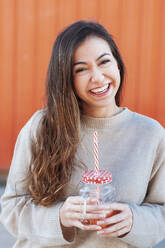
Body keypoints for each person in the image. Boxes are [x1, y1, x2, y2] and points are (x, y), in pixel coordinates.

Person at [0, 20, 165, 248]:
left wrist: (134, 221)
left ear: (118, 65)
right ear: (66, 78)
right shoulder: (42, 126)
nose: (97, 77)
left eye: (104, 62)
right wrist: (60, 217)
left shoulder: (150, 134)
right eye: (81, 69)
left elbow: (161, 212)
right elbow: (11, 209)